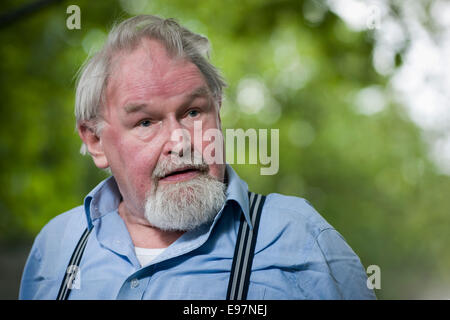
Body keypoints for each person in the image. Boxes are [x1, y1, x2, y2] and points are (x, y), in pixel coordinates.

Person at [19, 15, 376, 300]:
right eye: (145, 121)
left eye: (193, 112)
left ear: (218, 111)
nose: (179, 142)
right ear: (95, 141)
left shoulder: (300, 238)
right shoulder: (56, 246)